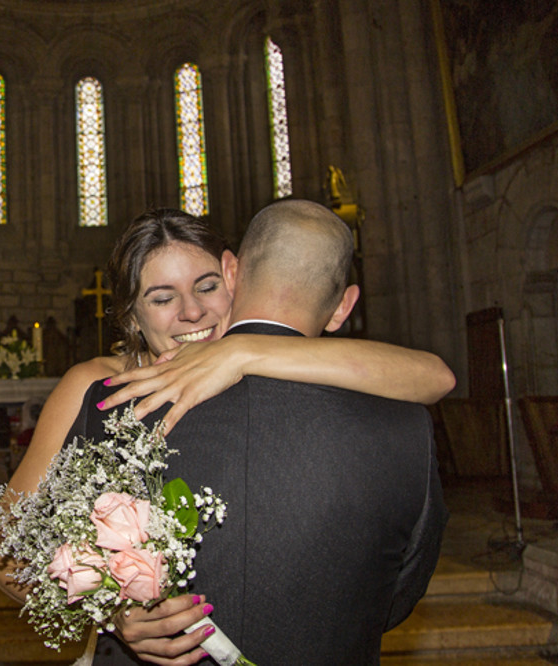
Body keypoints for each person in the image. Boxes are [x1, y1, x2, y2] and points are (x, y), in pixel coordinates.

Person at [73, 200, 448, 664]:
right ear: (344, 306)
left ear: (230, 274)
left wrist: (242, 352)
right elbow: (393, 596)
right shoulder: (406, 423)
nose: (191, 313)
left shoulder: (115, 406)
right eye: (164, 297)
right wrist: (113, 605)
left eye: (204, 287)